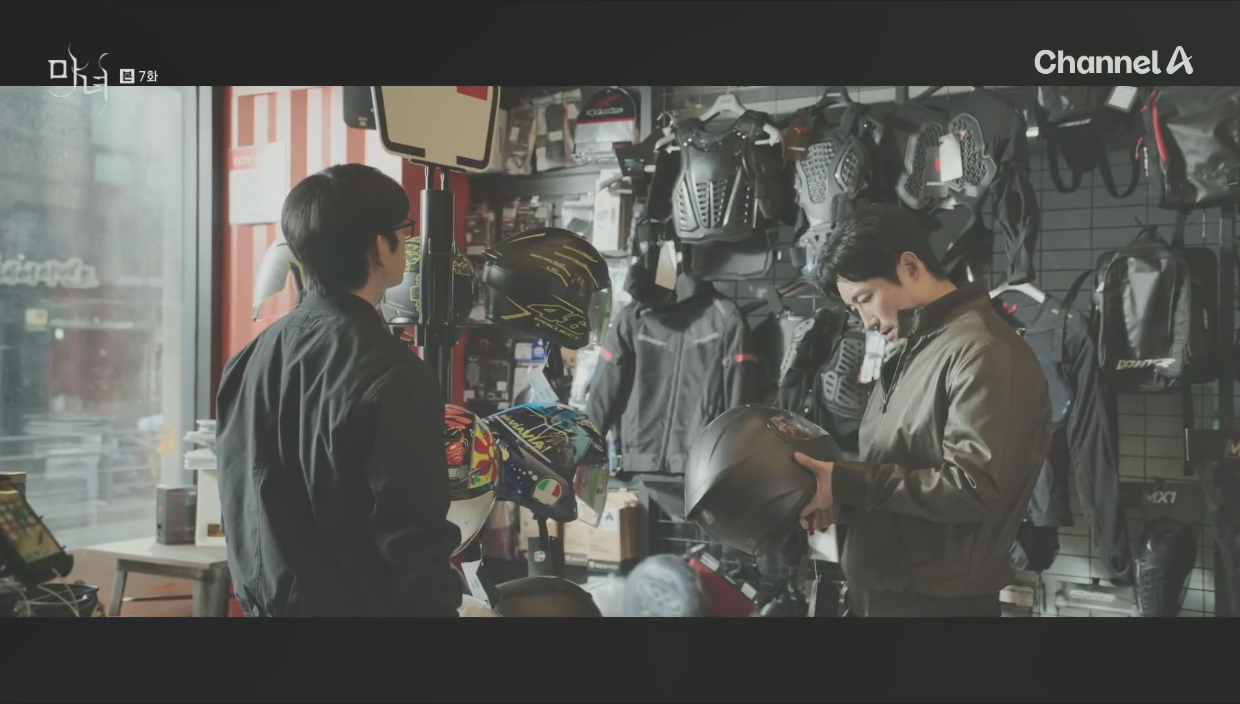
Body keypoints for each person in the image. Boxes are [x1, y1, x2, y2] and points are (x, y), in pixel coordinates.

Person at [215, 164, 462, 617]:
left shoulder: (247, 360)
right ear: (379, 246)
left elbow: (238, 504)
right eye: (402, 230)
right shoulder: (396, 373)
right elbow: (414, 541)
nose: (406, 241)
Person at [794, 203, 1051, 617]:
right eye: (854, 309)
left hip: (935, 607)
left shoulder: (984, 352)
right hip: (879, 598)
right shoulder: (915, 350)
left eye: (866, 299)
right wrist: (845, 502)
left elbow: (974, 489)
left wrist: (851, 483)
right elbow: (904, 477)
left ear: (910, 266)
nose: (866, 321)